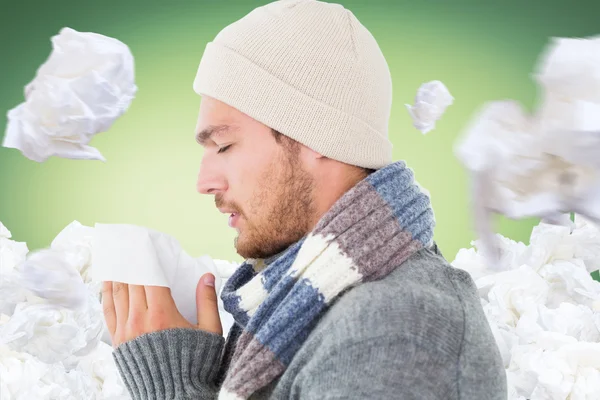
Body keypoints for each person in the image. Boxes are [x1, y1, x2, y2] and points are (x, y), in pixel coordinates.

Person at [101, 1, 507, 399]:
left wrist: (173, 391)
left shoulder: (393, 332)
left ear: (316, 136)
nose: (203, 182)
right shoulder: (302, 301)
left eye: (223, 145)